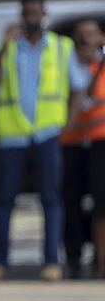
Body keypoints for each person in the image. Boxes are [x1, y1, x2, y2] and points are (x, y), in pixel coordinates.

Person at [0, 0, 86, 282]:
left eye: (36, 13)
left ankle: (51, 261)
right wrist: (3, 47)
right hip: (13, 133)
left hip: (47, 133)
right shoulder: (11, 47)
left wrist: (67, 126)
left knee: (51, 198)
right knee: (4, 199)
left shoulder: (61, 47)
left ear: (44, 15)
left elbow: (78, 89)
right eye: (26, 13)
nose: (31, 18)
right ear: (21, 16)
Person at [60, 19, 103, 278]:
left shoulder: (102, 61)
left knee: (101, 204)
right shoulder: (67, 63)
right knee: (71, 201)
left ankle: (100, 261)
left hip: (99, 141)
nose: (85, 40)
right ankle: (74, 258)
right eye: (80, 36)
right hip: (72, 141)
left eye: (91, 35)